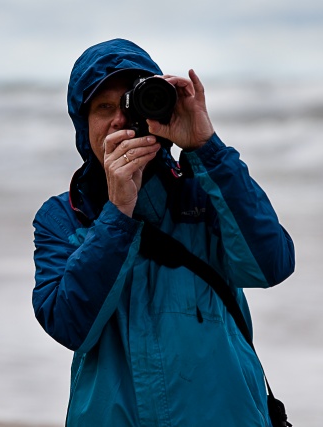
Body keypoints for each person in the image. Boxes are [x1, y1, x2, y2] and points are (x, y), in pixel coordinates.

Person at [32, 38, 295, 427]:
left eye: (130, 104)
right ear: (82, 125)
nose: (120, 119)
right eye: (104, 107)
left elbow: (271, 265)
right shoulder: (62, 217)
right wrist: (117, 212)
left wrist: (207, 147)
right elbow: (70, 326)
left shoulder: (205, 193)